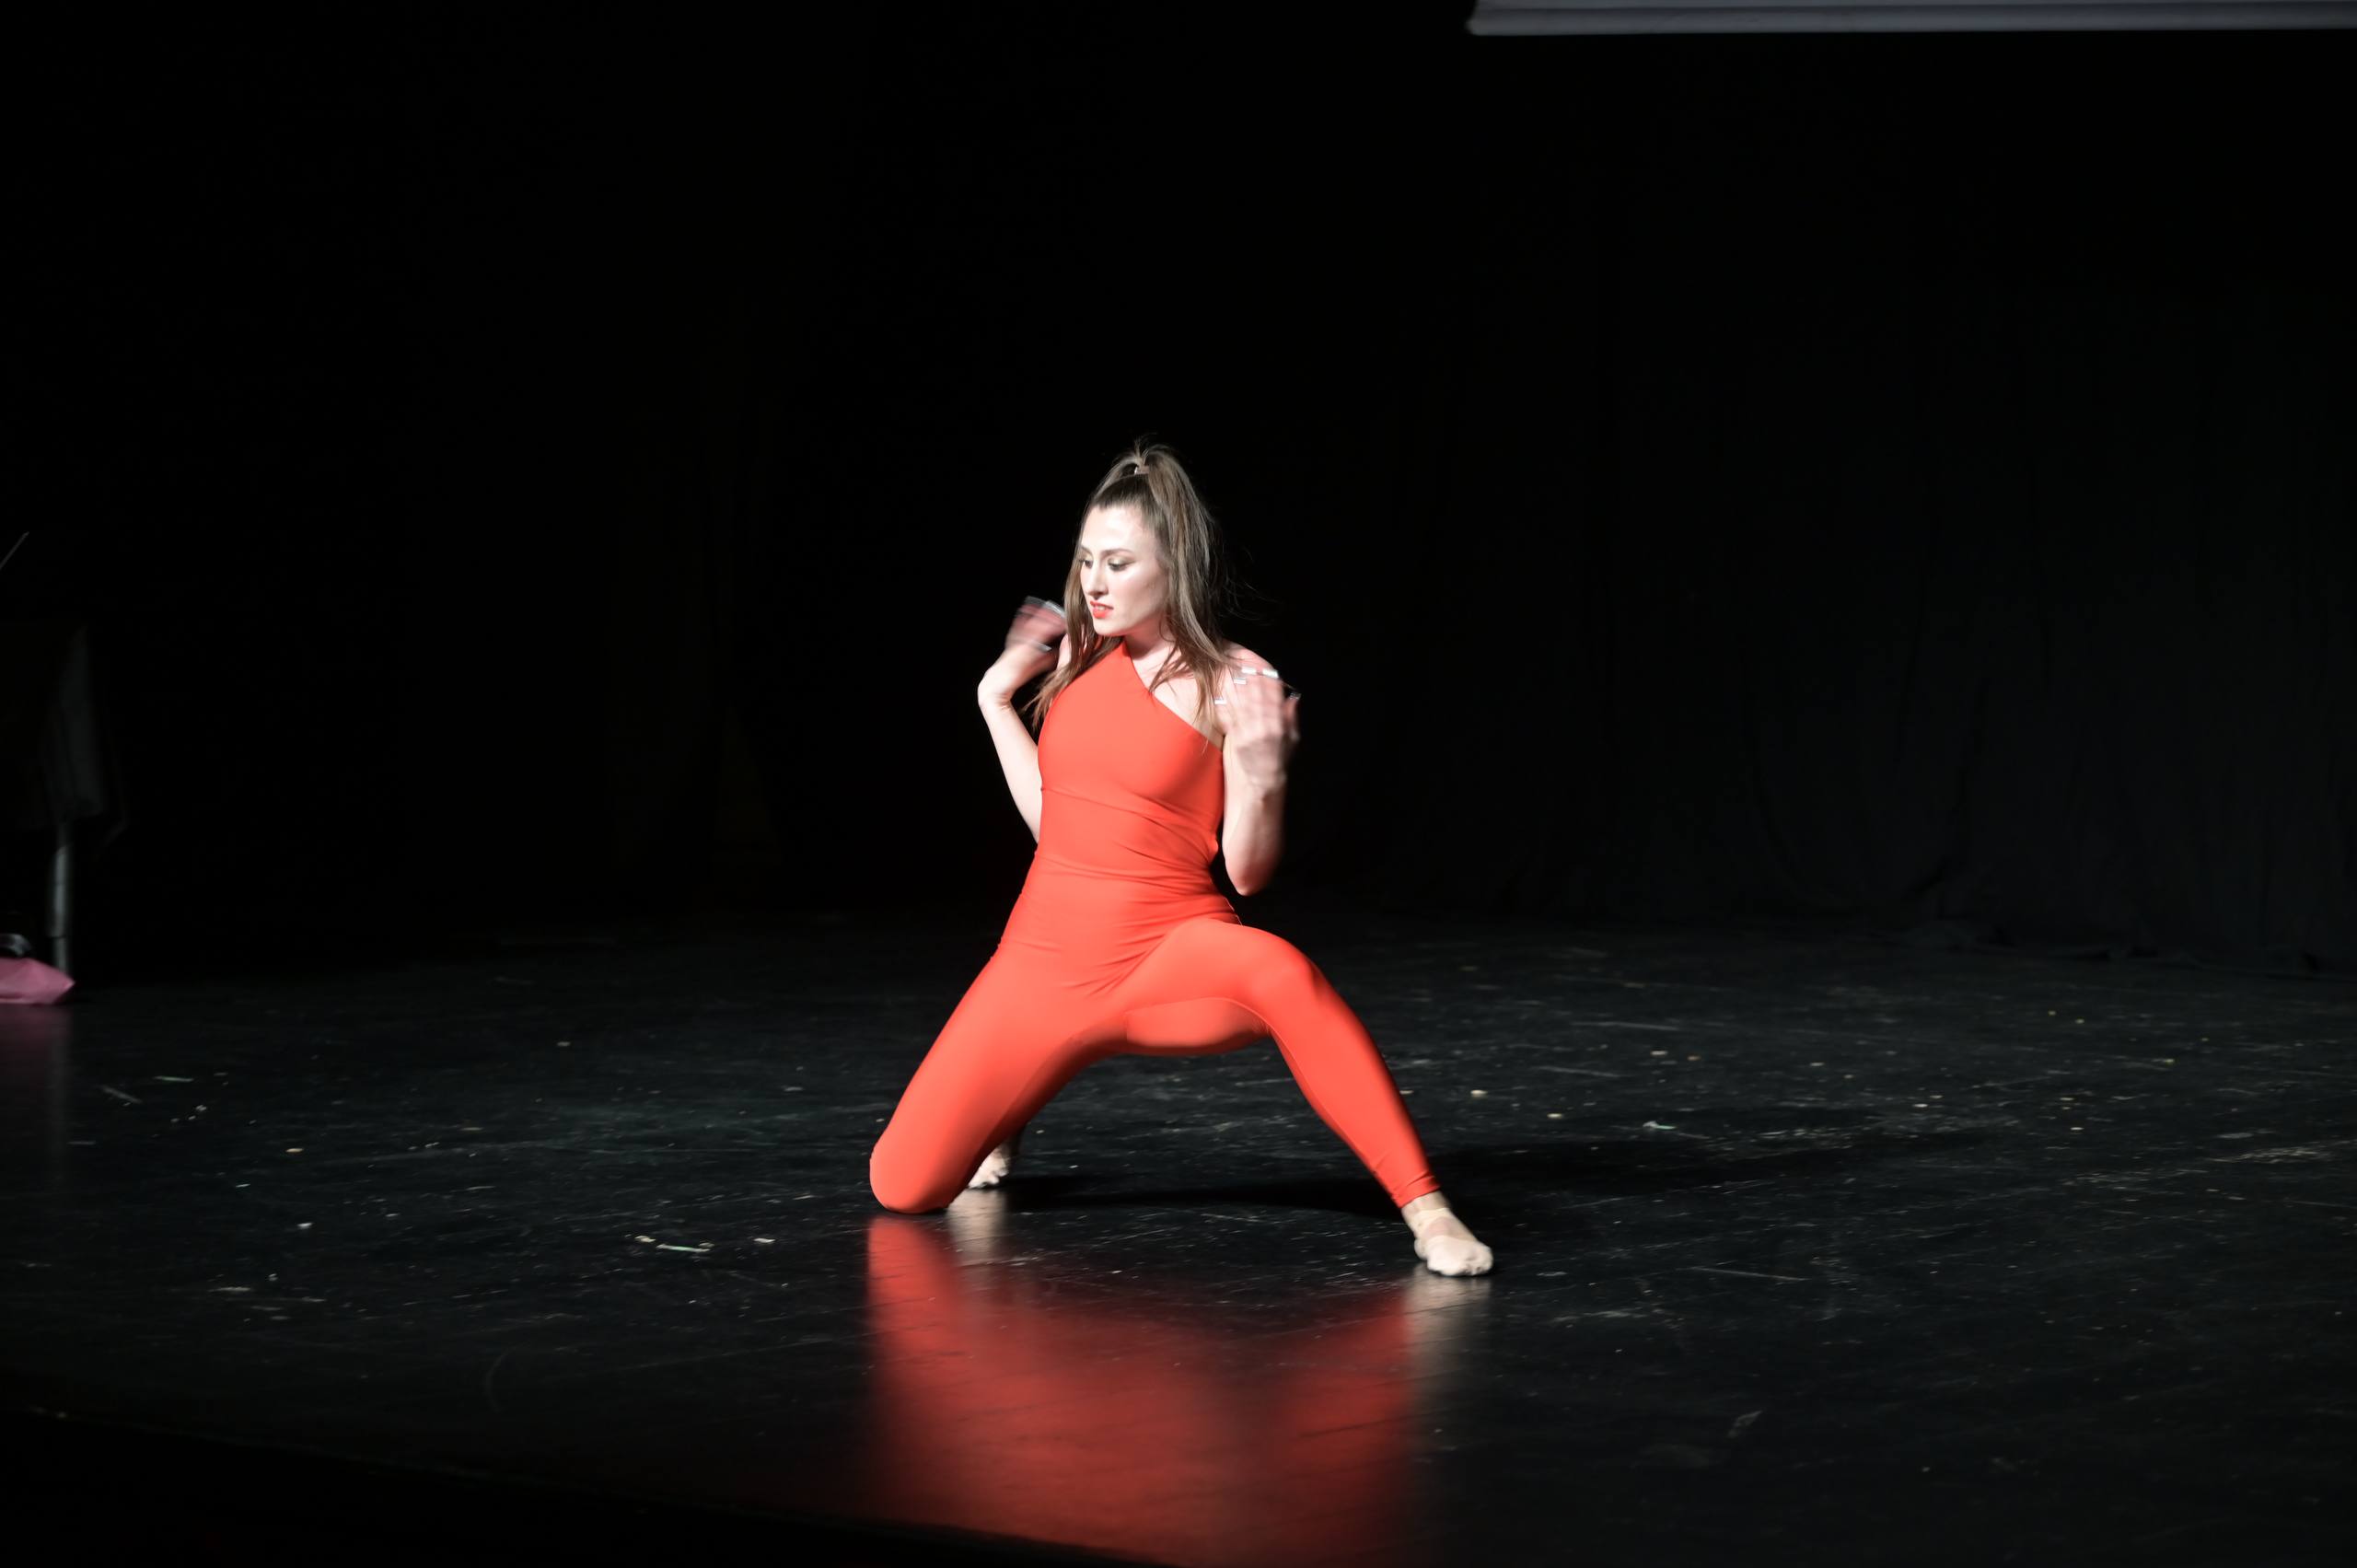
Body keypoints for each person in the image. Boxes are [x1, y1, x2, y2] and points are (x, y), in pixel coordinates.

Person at [867, 443, 1492, 1276]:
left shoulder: (1234, 678)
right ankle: (1018, 1095)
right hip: (1038, 965)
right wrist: (994, 701)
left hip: (1161, 955)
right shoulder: (1081, 660)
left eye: (1119, 562)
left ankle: (1427, 1209)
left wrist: (1265, 778)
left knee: (1283, 973)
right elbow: (1057, 822)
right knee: (902, 1186)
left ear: (1176, 566)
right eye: (1086, 560)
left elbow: (1248, 874)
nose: (1094, 583)